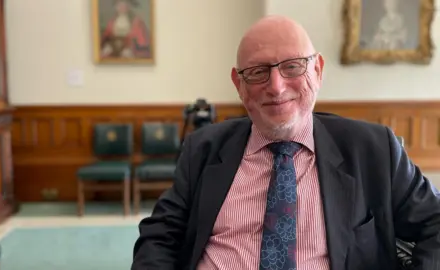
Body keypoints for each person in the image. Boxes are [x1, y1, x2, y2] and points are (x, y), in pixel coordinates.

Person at [131, 15, 440, 270]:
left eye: (292, 66)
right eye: (257, 72)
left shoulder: (373, 150)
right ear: (239, 85)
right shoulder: (203, 149)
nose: (276, 88)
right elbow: (159, 236)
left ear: (317, 71)